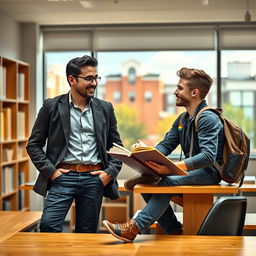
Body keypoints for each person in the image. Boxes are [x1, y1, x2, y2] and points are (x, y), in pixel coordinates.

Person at [103, 67, 224, 242]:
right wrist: (144, 153)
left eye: (180, 88)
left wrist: (172, 168)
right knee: (147, 183)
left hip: (209, 173)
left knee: (166, 180)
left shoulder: (207, 118)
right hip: (192, 172)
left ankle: (134, 228)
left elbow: (208, 157)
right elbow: (166, 145)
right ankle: (174, 230)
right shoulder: (182, 119)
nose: (175, 92)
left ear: (195, 92)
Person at [27, 55, 122, 233]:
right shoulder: (51, 106)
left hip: (94, 178)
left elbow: (116, 147)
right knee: (48, 226)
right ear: (72, 79)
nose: (94, 83)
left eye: (96, 78)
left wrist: (109, 173)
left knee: (86, 233)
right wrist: (52, 172)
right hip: (63, 177)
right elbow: (33, 145)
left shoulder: (105, 108)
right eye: (88, 78)